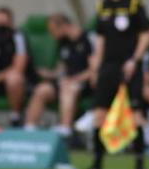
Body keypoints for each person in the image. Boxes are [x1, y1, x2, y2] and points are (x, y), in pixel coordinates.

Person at [86, 0, 149, 169]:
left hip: (130, 67)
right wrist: (95, 67)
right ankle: (97, 166)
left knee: (135, 116)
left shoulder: (134, 3)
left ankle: (140, 167)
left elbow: (146, 35)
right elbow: (100, 39)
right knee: (99, 115)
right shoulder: (103, 5)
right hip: (108, 67)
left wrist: (134, 60)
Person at [24, 14, 96, 145]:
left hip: (84, 84)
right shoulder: (63, 42)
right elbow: (62, 67)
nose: (52, 35)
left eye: (53, 31)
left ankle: (65, 129)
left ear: (63, 26)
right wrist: (51, 74)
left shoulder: (88, 39)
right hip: (66, 81)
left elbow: (94, 69)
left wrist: (74, 79)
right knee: (42, 89)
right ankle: (29, 129)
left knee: (67, 87)